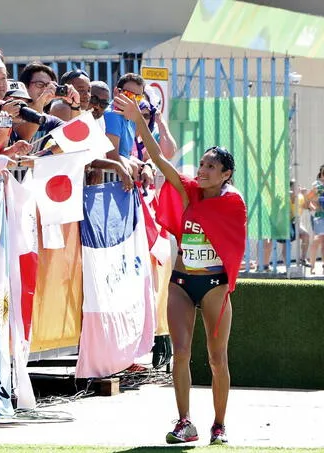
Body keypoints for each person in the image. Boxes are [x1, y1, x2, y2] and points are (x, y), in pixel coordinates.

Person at [114, 93, 247, 446]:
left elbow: (234, 244)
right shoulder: (190, 192)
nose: (202, 171)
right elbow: (157, 158)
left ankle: (219, 425)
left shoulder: (232, 202)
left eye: (210, 167)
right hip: (182, 282)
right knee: (181, 353)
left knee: (217, 359)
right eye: (201, 165)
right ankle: (185, 422)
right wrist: (138, 120)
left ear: (226, 174)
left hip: (215, 284)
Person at [306, 165, 324, 275]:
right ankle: (311, 266)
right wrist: (314, 206)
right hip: (319, 216)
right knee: (317, 239)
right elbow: (308, 199)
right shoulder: (317, 185)